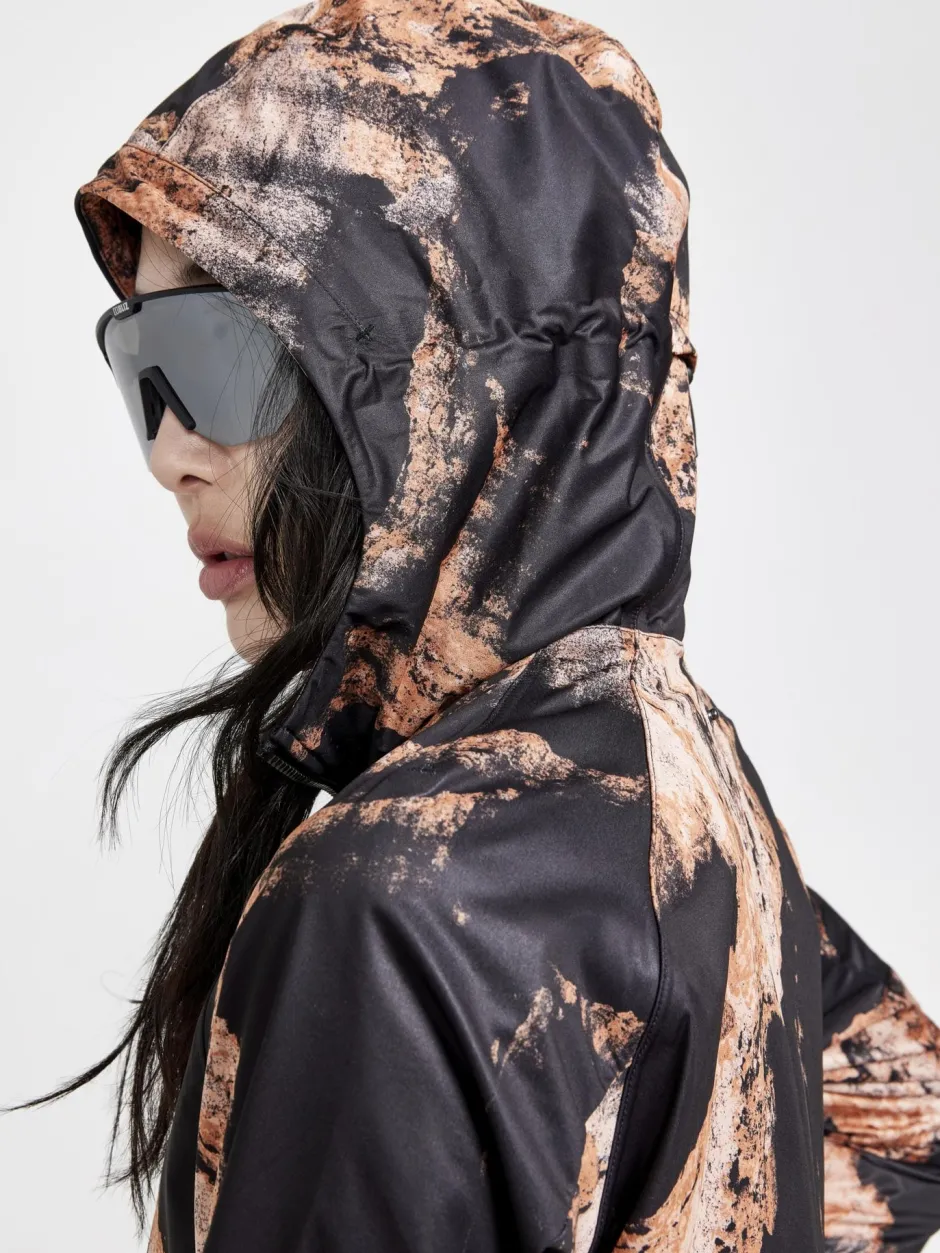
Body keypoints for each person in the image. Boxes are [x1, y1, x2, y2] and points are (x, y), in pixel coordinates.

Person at [13, 1, 940, 1249]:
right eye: (141, 367)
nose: (168, 453)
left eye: (220, 353)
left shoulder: (389, 902)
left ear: (443, 375)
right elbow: (901, 1122)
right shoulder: (694, 803)